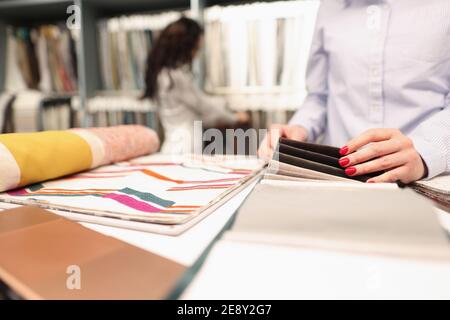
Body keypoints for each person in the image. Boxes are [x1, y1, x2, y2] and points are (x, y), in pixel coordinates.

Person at [259, 0, 450, 184]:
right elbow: (320, 96)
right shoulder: (329, 7)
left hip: (421, 180)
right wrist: (300, 127)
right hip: (335, 175)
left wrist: (426, 151)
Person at [143, 17, 248, 154]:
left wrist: (222, 104)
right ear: (185, 46)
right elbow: (204, 107)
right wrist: (235, 117)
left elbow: (196, 107)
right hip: (186, 146)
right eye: (196, 49)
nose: (195, 55)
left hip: (173, 145)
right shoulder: (175, 77)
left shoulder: (162, 74)